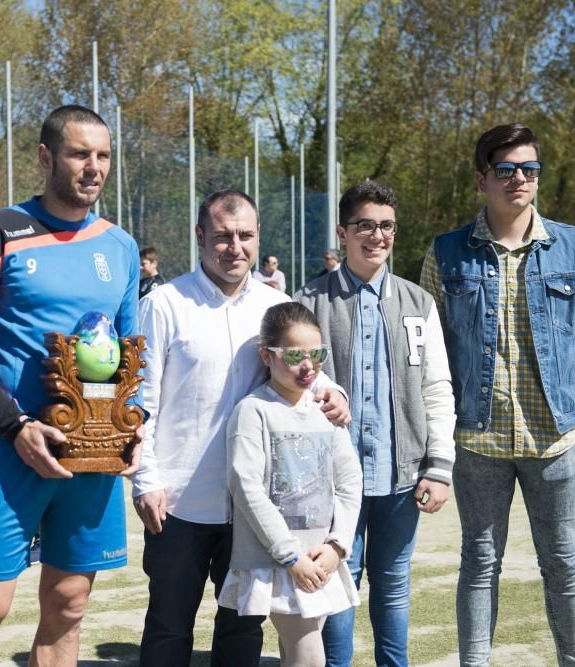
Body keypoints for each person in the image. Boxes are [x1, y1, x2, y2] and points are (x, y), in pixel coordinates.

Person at [0, 105, 142, 666]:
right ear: (47, 157)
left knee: (69, 605)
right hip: (14, 450)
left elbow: (128, 350)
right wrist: (16, 425)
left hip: (91, 456)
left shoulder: (120, 247)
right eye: (80, 154)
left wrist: (132, 423)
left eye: (102, 156)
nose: (93, 167)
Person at [133, 188, 351, 666]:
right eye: (222, 236)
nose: (235, 246)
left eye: (245, 235)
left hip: (255, 510)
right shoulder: (165, 304)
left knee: (242, 633)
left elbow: (302, 361)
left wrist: (332, 391)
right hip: (179, 502)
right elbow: (140, 402)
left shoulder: (275, 302)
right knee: (168, 628)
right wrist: (144, 481)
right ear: (199, 237)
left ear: (257, 238)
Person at [420, 123, 575, 666]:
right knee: (479, 562)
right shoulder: (448, 252)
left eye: (530, 168)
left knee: (564, 563)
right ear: (483, 179)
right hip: (478, 441)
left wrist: (565, 398)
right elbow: (434, 344)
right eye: (506, 169)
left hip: (554, 439)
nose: (520, 178)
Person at [294, 180, 456, 666]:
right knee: (338, 585)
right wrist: (324, 391)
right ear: (343, 232)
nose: (376, 236)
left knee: (393, 586)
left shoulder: (418, 303)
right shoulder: (308, 301)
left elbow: (436, 388)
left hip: (401, 478)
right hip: (329, 481)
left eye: (385, 226)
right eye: (364, 225)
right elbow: (290, 381)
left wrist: (440, 465)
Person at [219, 302, 362, 667]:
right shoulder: (253, 411)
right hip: (276, 562)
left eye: (317, 354)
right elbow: (246, 486)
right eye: (294, 355)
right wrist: (290, 555)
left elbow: (349, 480)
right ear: (266, 356)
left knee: (298, 655)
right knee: (309, 657)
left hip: (321, 560)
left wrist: (338, 546)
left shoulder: (324, 410)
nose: (307, 366)